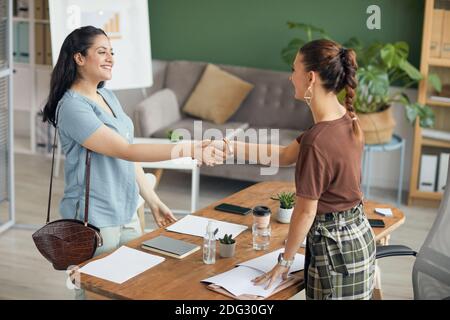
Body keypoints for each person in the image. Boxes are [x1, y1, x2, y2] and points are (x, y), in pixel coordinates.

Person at [42, 26, 227, 270]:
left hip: (127, 212)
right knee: (95, 291)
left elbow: (128, 153)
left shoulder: (107, 96)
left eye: (112, 52)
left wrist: (152, 199)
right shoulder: (73, 108)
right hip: (95, 220)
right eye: (102, 52)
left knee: (132, 282)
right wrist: (188, 148)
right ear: (79, 58)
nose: (111, 58)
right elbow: (126, 151)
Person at [231, 39, 376, 300]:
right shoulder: (345, 118)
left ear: (310, 78)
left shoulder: (317, 140)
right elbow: (285, 155)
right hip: (356, 240)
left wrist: (284, 262)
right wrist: (229, 147)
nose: (290, 78)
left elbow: (306, 211)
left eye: (294, 69)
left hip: (335, 255)